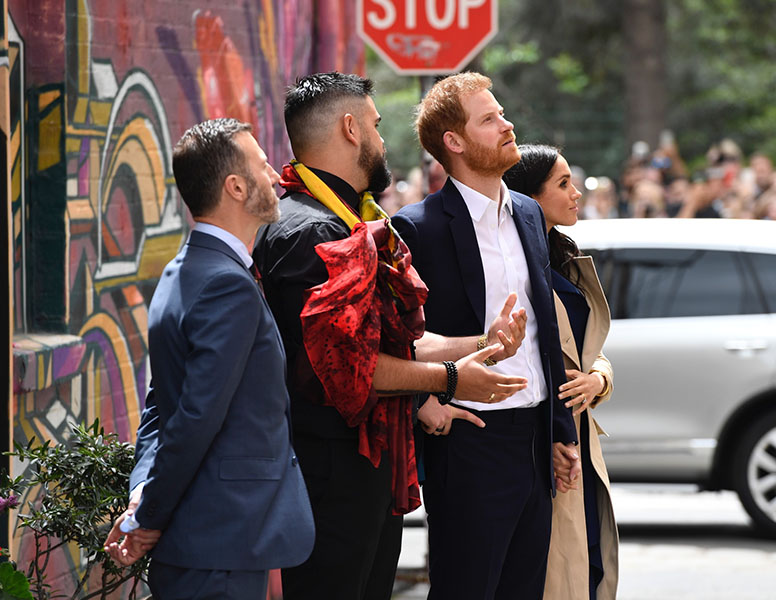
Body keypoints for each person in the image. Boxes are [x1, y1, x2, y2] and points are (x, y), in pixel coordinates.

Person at [252, 72, 529, 600]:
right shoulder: (314, 231)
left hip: (360, 471)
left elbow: (384, 346)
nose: (384, 141)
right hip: (330, 475)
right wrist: (450, 379)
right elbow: (350, 368)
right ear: (352, 129)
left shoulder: (346, 220)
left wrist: (481, 343)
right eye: (377, 126)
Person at [103, 118, 315, 599]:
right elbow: (194, 417)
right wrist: (149, 516)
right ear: (236, 187)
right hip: (224, 542)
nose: (278, 177)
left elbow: (162, 405)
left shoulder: (182, 271)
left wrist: (142, 498)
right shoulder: (225, 284)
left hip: (219, 541)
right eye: (263, 166)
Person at [392, 72, 580, 600]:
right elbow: (399, 339)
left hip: (535, 437)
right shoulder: (417, 227)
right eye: (489, 118)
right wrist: (424, 401)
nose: (507, 124)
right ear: (454, 142)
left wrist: (560, 428)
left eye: (501, 113)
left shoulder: (527, 212)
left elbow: (543, 326)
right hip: (469, 439)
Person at [504, 144, 619, 600]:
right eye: (563, 184)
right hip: (544, 437)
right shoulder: (513, 262)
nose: (576, 195)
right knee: (556, 572)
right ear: (530, 196)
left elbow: (591, 348)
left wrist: (599, 380)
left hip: (578, 436)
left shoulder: (564, 253)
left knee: (586, 563)